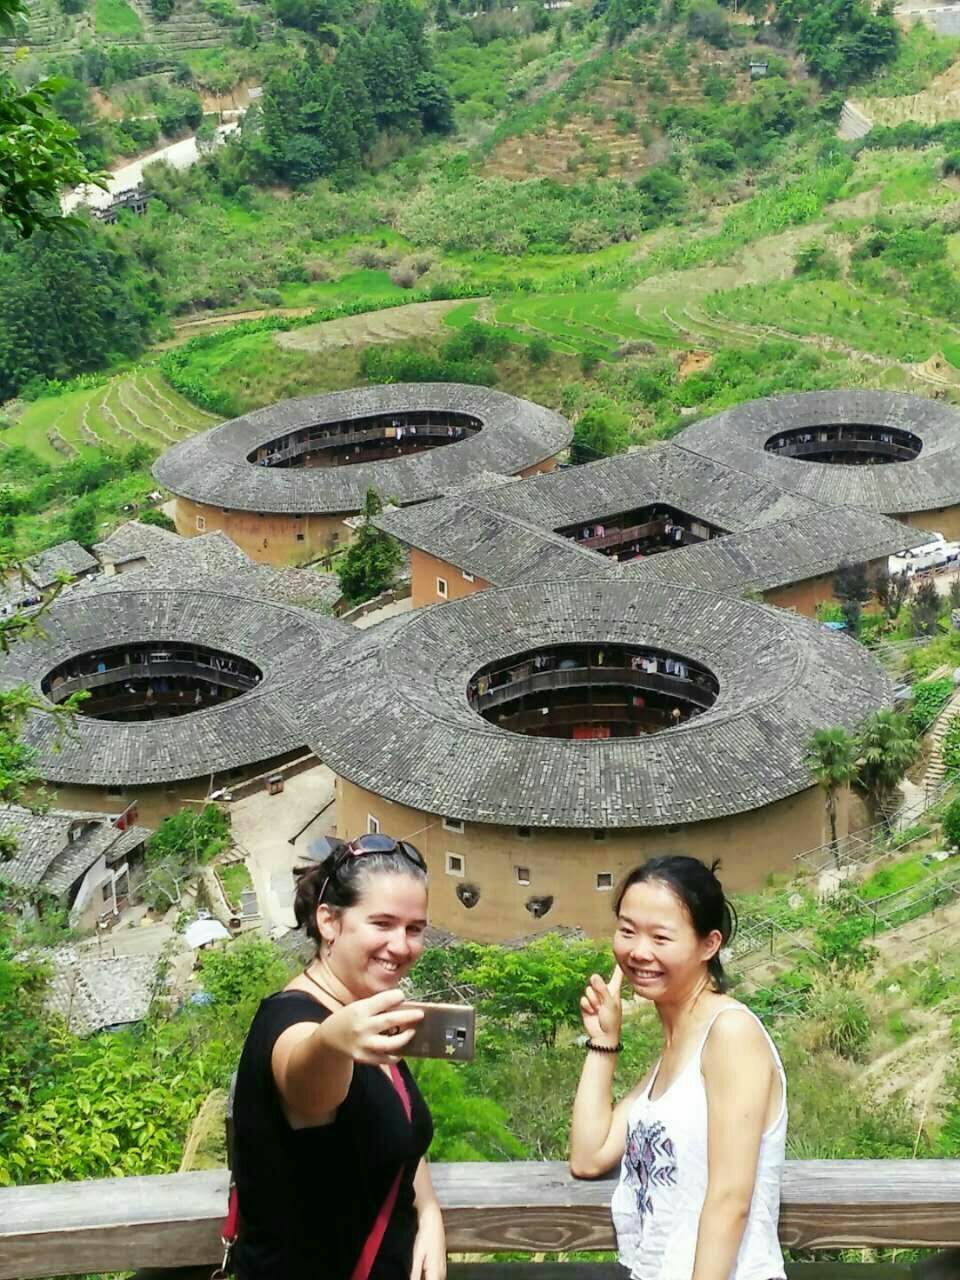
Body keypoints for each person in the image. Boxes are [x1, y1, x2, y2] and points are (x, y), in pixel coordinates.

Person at [231, 834, 446, 1280]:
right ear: (329, 921)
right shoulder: (291, 1021)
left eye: (414, 928)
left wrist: (427, 1212)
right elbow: (306, 1079)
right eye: (382, 923)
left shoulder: (366, 1011)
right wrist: (332, 1041)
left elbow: (395, 1130)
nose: (402, 946)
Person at [570, 855, 786, 1280]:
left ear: (710, 944)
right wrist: (603, 1041)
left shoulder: (730, 1034)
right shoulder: (672, 1053)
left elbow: (730, 1199)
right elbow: (589, 1156)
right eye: (627, 931)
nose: (638, 951)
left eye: (661, 937)